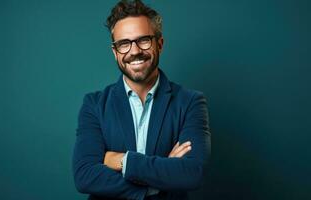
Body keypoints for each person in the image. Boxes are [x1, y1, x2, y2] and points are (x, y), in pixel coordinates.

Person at [72, 0, 211, 199]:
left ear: (159, 44)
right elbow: (85, 176)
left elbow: (192, 174)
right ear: (115, 52)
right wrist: (160, 178)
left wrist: (122, 161)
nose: (134, 51)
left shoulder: (190, 102)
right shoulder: (94, 105)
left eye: (143, 40)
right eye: (124, 44)